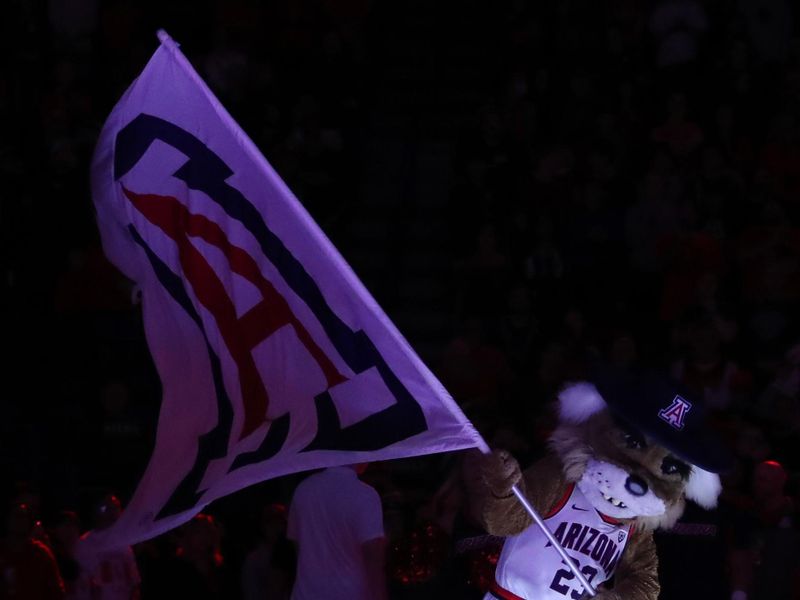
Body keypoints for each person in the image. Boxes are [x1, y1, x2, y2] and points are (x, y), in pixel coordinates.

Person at [287, 465, 387, 600]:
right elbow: (372, 555)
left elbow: (297, 543)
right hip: (349, 594)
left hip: (306, 593)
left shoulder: (303, 489)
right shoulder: (365, 495)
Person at [74, 494, 140, 600]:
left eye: (117, 507)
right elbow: (83, 583)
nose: (114, 512)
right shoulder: (85, 543)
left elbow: (134, 584)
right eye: (108, 508)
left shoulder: (124, 544)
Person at [0, 503, 65, 600]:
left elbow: (56, 592)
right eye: (17, 516)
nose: (21, 520)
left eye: (24, 517)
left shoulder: (41, 554)